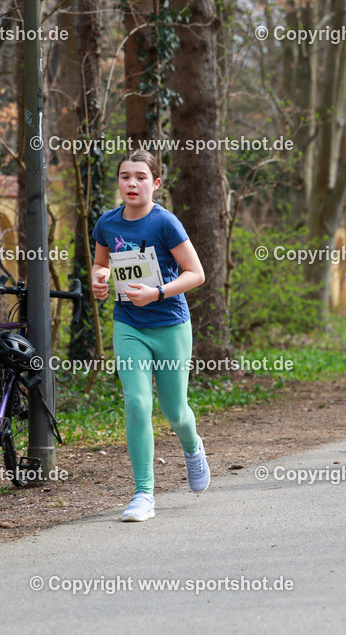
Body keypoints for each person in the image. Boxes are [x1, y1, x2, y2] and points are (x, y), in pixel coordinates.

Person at [91, 149, 208, 521]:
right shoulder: (107, 224)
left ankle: (192, 447)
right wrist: (99, 279)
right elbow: (100, 264)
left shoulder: (165, 223)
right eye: (125, 176)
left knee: (175, 411)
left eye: (140, 177)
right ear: (119, 182)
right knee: (137, 403)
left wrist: (157, 293)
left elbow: (196, 274)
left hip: (170, 324)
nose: (132, 183)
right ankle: (143, 493)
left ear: (155, 184)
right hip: (128, 325)